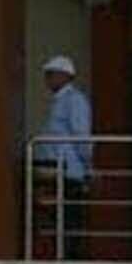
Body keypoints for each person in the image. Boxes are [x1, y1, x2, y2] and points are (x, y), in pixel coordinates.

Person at [34, 54, 94, 195]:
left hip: (69, 169)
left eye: (51, 74)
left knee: (69, 206)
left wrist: (87, 165)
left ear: (64, 76)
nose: (47, 79)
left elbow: (81, 135)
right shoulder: (57, 101)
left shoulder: (74, 100)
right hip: (55, 167)